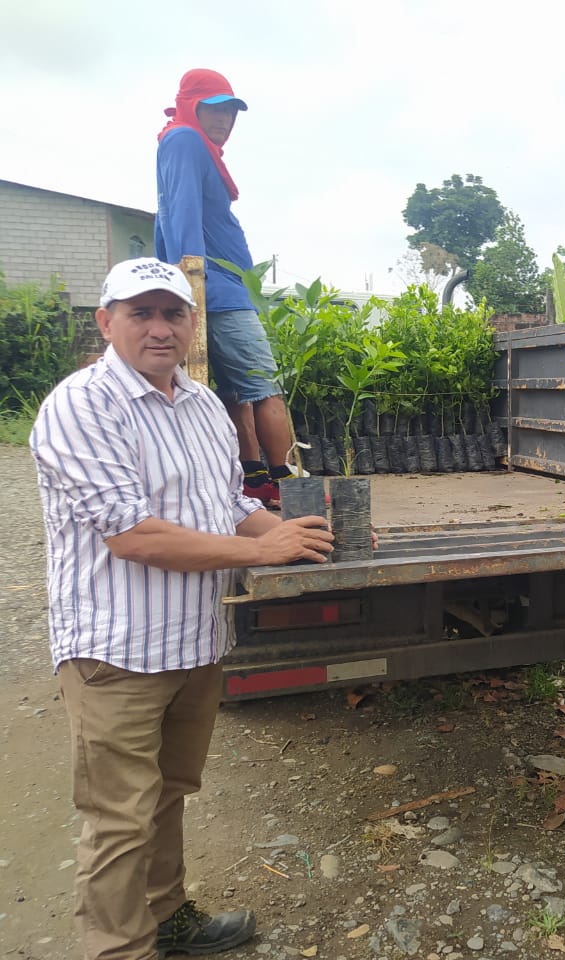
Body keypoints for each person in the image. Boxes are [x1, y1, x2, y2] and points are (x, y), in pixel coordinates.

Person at [30, 258, 334, 959]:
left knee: (167, 793)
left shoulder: (202, 406)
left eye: (172, 313)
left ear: (193, 324)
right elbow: (132, 534)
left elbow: (228, 504)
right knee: (118, 819)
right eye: (140, 313)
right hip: (115, 650)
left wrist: (302, 537)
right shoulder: (83, 406)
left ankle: (167, 917)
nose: (159, 328)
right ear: (107, 322)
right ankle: (120, 948)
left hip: (193, 640)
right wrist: (263, 551)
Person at [155, 67, 295, 504]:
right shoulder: (184, 139)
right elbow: (180, 215)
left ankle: (254, 479)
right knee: (265, 386)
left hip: (219, 287)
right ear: (190, 107)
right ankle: (290, 485)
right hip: (216, 290)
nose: (224, 119)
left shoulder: (189, 144)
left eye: (231, 111)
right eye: (213, 108)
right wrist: (190, 284)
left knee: (237, 391)